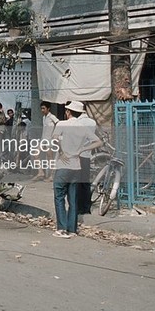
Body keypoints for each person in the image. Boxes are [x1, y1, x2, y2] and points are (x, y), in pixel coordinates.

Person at [51, 101, 102, 239]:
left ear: (68, 112)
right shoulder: (83, 128)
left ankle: (61, 228)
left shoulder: (61, 124)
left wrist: (61, 151)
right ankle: (72, 229)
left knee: (59, 196)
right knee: (73, 199)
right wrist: (82, 149)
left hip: (63, 164)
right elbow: (98, 142)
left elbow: (54, 140)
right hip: (76, 165)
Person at [76, 108, 98, 216]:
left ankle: (79, 208)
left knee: (77, 183)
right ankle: (87, 208)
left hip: (77, 155)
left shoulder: (77, 123)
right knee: (85, 182)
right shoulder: (92, 122)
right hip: (87, 155)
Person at [32, 101, 59, 181]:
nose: (42, 110)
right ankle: (41, 172)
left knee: (50, 158)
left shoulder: (52, 117)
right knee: (35, 154)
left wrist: (56, 134)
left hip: (50, 140)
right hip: (43, 139)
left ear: (48, 108)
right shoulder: (44, 117)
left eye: (44, 108)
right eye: (41, 108)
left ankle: (51, 176)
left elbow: (58, 123)